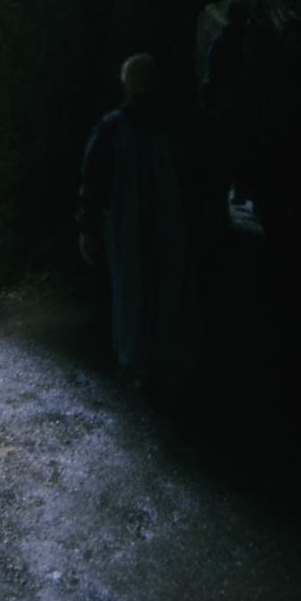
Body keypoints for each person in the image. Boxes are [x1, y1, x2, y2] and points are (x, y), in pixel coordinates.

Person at [78, 53, 196, 387]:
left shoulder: (113, 127)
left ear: (126, 84)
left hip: (125, 222)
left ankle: (137, 357)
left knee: (131, 285)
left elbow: (93, 178)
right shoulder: (174, 126)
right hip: (168, 219)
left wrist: (87, 226)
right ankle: (165, 352)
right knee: (167, 281)